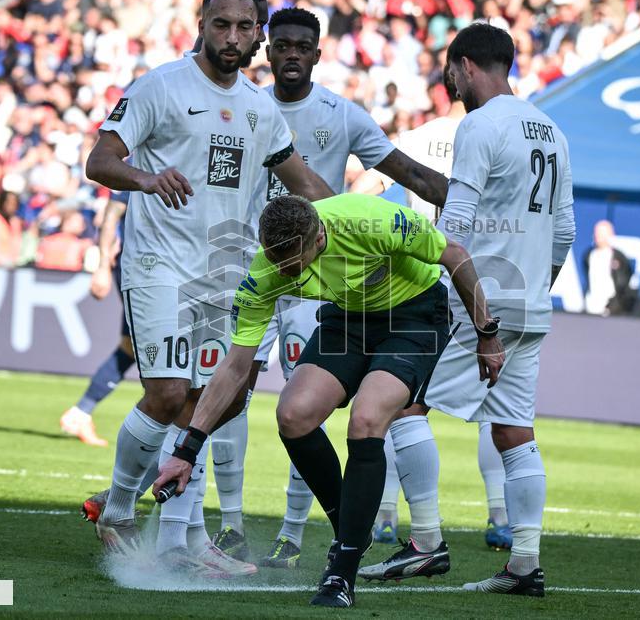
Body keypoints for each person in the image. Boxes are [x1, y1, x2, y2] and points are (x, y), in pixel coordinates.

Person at [84, 0, 332, 580]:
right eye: (221, 25)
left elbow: (305, 184)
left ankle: (180, 540)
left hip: (225, 275)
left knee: (204, 408)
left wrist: (364, 224)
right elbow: (100, 160)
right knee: (169, 396)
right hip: (158, 266)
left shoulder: (259, 108)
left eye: (244, 28)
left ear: (258, 35)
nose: (232, 38)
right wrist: (144, 178)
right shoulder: (160, 86)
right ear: (202, 22)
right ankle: (117, 511)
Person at [152, 193, 505, 608]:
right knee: (293, 414)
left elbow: (455, 255)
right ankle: (352, 526)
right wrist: (187, 449)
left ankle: (342, 571)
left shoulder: (373, 221)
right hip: (349, 316)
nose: (283, 271)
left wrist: (486, 332)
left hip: (413, 315)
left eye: (292, 262)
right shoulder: (266, 270)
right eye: (275, 260)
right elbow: (233, 367)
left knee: (367, 419)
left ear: (318, 237)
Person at [209, 7, 450, 569]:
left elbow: (409, 173)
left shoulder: (343, 115)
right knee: (230, 392)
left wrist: (463, 210)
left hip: (322, 282)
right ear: (268, 51)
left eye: (303, 46)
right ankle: (230, 526)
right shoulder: (239, 107)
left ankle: (293, 538)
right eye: (283, 45)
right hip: (253, 272)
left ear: (318, 54)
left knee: (303, 405)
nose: (291, 54)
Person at [361, 22, 575, 596]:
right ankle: (525, 564)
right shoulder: (551, 128)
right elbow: (564, 231)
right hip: (530, 305)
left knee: (401, 403)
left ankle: (425, 544)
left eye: (449, 69)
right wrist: (532, 292)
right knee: (515, 432)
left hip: (476, 303)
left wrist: (470, 315)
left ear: (465, 66)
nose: (448, 79)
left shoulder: (478, 126)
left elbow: (453, 230)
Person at [354, 64, 515, 554]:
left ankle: (386, 516)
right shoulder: (501, 137)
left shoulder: (417, 138)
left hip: (427, 285)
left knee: (400, 403)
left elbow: (364, 192)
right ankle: (501, 517)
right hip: (488, 281)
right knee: (498, 407)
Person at [61, 191, 134, 449]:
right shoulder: (145, 159)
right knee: (152, 345)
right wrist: (102, 266)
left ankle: (80, 413)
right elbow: (112, 213)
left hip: (159, 267)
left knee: (131, 347)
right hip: (138, 268)